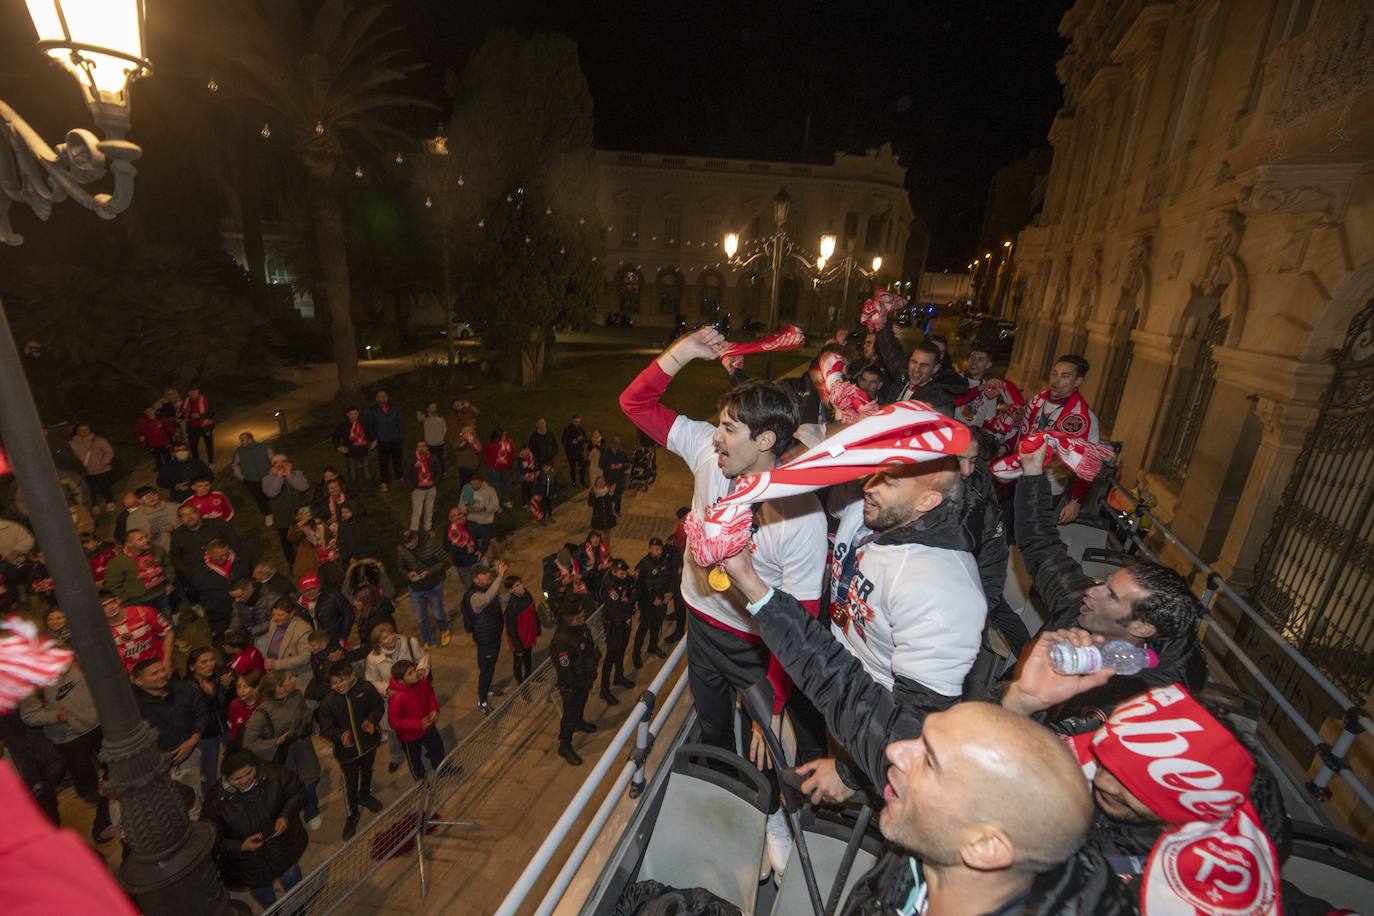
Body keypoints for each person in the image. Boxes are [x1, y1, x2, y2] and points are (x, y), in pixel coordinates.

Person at [717, 549, 1133, 915]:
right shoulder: (938, 837)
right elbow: (846, 690)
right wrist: (752, 583)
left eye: (930, 761)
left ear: (984, 847)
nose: (898, 752)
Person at [618, 327, 827, 753]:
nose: (714, 436)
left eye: (728, 429)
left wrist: (775, 701)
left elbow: (800, 620)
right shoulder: (707, 451)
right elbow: (634, 404)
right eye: (719, 425)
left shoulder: (802, 516)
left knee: (769, 750)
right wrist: (682, 352)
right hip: (698, 622)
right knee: (714, 732)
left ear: (765, 440)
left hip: (756, 645)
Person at [1005, 440, 1206, 732]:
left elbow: (1062, 742)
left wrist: (1026, 703)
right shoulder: (1081, 606)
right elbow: (1041, 546)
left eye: (1110, 595)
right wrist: (1033, 472)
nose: (1091, 590)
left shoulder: (1148, 697)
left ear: (1140, 627)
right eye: (1104, 583)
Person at [18, 658, 113, 843]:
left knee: (114, 761)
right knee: (83, 772)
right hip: (69, 736)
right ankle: (99, 806)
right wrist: (55, 716)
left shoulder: (75, 662)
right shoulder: (30, 685)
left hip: (98, 723)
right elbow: (29, 716)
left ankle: (115, 794)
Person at [201, 750, 310, 908]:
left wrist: (285, 816)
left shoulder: (275, 775)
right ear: (226, 777)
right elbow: (210, 837)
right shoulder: (215, 801)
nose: (244, 780)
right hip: (249, 865)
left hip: (282, 848)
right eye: (236, 778)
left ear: (256, 765)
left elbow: (297, 792)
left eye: (249, 773)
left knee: (291, 876)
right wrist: (240, 846)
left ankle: (298, 907)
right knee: (262, 891)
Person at [243, 670, 323, 831]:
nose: (293, 679)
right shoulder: (262, 713)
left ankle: (311, 811)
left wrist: (307, 723)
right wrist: (275, 742)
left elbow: (305, 712)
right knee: (290, 790)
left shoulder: (296, 696)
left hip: (304, 751)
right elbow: (249, 743)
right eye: (289, 679)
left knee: (309, 784)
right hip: (284, 759)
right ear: (279, 689)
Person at [317, 661, 385, 840]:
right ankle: (352, 813)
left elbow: (378, 706)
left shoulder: (366, 688)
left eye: (342, 681)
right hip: (347, 753)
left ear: (351, 676)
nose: (338, 686)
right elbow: (325, 728)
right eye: (334, 683)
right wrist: (340, 735)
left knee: (368, 770)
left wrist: (371, 720)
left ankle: (365, 795)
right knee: (350, 781)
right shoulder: (328, 702)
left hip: (369, 743)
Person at [131, 658, 207, 816]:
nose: (162, 675)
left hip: (191, 755)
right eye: (154, 673)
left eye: (162, 670)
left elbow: (201, 713)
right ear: (138, 681)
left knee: (196, 798)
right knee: (171, 808)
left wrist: (193, 739)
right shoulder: (134, 707)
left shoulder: (183, 689)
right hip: (160, 769)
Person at [364, 620, 430, 772]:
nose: (391, 638)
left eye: (392, 633)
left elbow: (422, 657)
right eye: (385, 637)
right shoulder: (373, 659)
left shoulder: (410, 643)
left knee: (421, 724)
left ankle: (426, 748)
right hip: (394, 701)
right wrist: (386, 688)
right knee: (394, 733)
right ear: (378, 643)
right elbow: (371, 680)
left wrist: (421, 669)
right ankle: (396, 757)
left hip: (414, 695)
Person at [551, 597, 599, 765]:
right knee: (569, 716)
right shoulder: (561, 641)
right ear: (570, 620)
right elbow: (565, 671)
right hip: (572, 685)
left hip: (584, 679)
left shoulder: (580, 627)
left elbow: (588, 647)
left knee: (581, 703)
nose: (583, 618)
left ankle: (579, 722)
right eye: (579, 617)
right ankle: (565, 745)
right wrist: (577, 683)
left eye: (582, 615)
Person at [185, 647, 234, 797]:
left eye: (212, 659)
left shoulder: (218, 677)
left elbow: (225, 703)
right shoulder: (187, 686)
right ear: (192, 667)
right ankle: (211, 799)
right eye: (204, 662)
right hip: (206, 735)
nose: (210, 664)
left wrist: (227, 687)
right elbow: (198, 713)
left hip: (224, 728)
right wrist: (211, 695)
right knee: (208, 772)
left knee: (234, 761)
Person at [461, 562, 508, 714]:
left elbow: (495, 599)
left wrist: (512, 595)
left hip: (493, 635)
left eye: (488, 572)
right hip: (486, 640)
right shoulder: (474, 596)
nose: (488, 575)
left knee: (490, 666)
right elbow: (487, 599)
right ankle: (482, 701)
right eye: (484, 573)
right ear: (476, 579)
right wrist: (500, 576)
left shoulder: (485, 588)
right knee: (486, 670)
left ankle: (488, 688)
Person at [386, 659, 445, 781]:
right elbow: (394, 722)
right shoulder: (396, 698)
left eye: (414, 670)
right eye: (410, 673)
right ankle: (420, 780)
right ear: (401, 680)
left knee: (437, 748)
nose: (415, 674)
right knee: (415, 760)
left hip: (428, 727)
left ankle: (441, 768)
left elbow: (430, 695)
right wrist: (419, 724)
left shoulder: (422, 682)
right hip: (410, 736)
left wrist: (434, 709)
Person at [397, 528, 451, 648]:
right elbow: (400, 567)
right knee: (420, 617)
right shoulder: (401, 548)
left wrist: (428, 572)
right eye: (407, 546)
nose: (409, 548)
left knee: (438, 612)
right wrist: (408, 574)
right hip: (415, 589)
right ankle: (429, 640)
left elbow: (444, 561)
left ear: (415, 537)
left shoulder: (430, 544)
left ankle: (444, 631)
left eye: (411, 545)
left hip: (433, 585)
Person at [190, 537, 251, 642]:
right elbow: (197, 593)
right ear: (209, 554)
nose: (224, 557)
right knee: (227, 641)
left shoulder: (240, 560)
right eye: (220, 555)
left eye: (226, 553)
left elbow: (250, 577)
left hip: (245, 606)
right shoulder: (199, 573)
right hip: (221, 614)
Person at [105, 528, 174, 619]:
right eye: (140, 539)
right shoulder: (117, 562)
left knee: (166, 618)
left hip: (159, 593)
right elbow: (113, 584)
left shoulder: (157, 550)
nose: (146, 540)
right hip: (137, 601)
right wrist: (126, 599)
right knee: (146, 623)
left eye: (145, 537)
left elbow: (167, 565)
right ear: (128, 544)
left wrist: (169, 582)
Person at [169, 501, 242, 586]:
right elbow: (175, 557)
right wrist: (189, 574)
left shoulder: (218, 524)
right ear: (180, 520)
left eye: (192, 513)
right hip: (202, 579)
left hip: (231, 568)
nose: (189, 517)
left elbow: (235, 544)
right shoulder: (177, 535)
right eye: (184, 516)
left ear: (198, 513)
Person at [598, 559, 637, 705]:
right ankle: (604, 689)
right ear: (614, 571)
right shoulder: (609, 586)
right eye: (621, 573)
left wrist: (627, 600)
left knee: (621, 651)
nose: (624, 575)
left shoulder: (623, 579)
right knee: (611, 656)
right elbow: (616, 606)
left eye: (625, 573)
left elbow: (632, 590)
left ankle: (619, 677)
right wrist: (625, 601)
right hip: (615, 626)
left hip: (624, 622)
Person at [632, 538, 674, 667]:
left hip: (662, 600)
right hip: (648, 604)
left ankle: (653, 646)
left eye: (660, 549)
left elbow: (671, 577)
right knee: (643, 629)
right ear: (650, 549)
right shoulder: (643, 565)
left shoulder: (665, 560)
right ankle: (636, 655)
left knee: (657, 625)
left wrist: (670, 592)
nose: (659, 552)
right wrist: (652, 599)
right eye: (656, 549)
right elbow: (639, 588)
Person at [262, 455, 310, 566]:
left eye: (283, 461)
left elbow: (304, 487)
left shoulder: (297, 473)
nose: (280, 464)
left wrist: (289, 475)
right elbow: (271, 493)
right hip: (282, 515)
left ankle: (309, 558)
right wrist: (279, 476)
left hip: (301, 511)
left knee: (306, 535)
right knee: (286, 539)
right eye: (276, 462)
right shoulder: (267, 479)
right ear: (272, 466)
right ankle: (292, 562)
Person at [256, 599, 314, 690]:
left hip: (296, 675)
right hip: (277, 673)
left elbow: (305, 657)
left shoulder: (303, 629)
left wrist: (276, 664)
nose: (275, 618)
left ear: (291, 614)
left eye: (280, 615)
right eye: (274, 614)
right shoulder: (273, 622)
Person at [69, 422, 116, 513]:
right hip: (85, 471)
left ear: (90, 430)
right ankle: (94, 505)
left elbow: (109, 452)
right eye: (80, 430)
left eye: (86, 430)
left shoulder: (99, 441)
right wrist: (78, 467)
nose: (83, 432)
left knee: (105, 486)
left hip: (102, 470)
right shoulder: (72, 444)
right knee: (89, 489)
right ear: (76, 431)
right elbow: (72, 457)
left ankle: (109, 502)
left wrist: (103, 463)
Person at [364, 389, 405, 492]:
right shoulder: (372, 410)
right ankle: (385, 481)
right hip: (382, 440)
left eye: (383, 396)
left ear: (387, 397)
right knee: (383, 462)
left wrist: (401, 436)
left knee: (397, 459)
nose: (382, 398)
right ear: (376, 398)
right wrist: (373, 439)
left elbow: (400, 423)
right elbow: (369, 426)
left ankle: (399, 476)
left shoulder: (394, 408)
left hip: (395, 439)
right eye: (379, 396)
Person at [231, 431, 276, 525]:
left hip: (267, 476)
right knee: (259, 498)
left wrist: (273, 472)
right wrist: (242, 477)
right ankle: (267, 515)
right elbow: (235, 465)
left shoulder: (263, 447)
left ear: (250, 440)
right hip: (251, 479)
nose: (241, 442)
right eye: (240, 440)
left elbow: (273, 459)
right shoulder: (239, 451)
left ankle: (278, 510)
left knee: (272, 494)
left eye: (243, 440)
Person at [503, 575, 539, 683]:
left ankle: (529, 677)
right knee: (518, 663)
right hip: (519, 640)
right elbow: (511, 630)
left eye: (521, 583)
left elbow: (534, 613)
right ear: (511, 590)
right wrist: (518, 648)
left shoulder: (527, 595)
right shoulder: (512, 607)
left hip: (528, 635)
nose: (521, 586)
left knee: (528, 659)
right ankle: (521, 685)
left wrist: (537, 627)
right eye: (517, 585)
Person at [332, 407, 374, 492]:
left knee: (366, 472)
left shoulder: (363, 423)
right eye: (351, 414)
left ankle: (368, 489)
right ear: (347, 414)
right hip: (350, 453)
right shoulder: (343, 425)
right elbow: (335, 437)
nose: (353, 416)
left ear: (358, 414)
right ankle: (353, 491)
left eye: (355, 413)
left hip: (363, 451)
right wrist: (338, 447)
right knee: (352, 473)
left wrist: (374, 440)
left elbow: (369, 433)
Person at [128, 485, 179, 552]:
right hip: (154, 552)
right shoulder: (134, 517)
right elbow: (133, 540)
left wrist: (175, 529)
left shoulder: (175, 507)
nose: (150, 498)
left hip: (180, 547)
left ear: (158, 495)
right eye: (145, 496)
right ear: (139, 501)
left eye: (152, 494)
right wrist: (149, 534)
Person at [458, 470, 500, 551]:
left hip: (486, 521)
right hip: (472, 522)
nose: (475, 486)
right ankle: (482, 557)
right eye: (472, 485)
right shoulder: (466, 492)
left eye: (477, 484)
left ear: (481, 481)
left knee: (492, 542)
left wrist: (483, 509)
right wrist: (467, 510)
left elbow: (495, 506)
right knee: (479, 544)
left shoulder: (490, 490)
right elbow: (460, 508)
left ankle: (497, 557)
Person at [405, 440, 441, 532]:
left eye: (423, 446)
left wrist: (435, 483)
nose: (421, 448)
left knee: (429, 509)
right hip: (418, 490)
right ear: (416, 448)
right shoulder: (411, 459)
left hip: (431, 488)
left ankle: (428, 528)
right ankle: (414, 530)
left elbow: (439, 472)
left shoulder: (433, 458)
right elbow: (406, 475)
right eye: (419, 446)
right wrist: (412, 488)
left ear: (427, 448)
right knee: (417, 511)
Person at [336, 499, 379, 567]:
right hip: (349, 563)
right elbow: (340, 544)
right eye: (342, 512)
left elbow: (373, 542)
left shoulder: (367, 524)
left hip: (368, 561)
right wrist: (348, 558)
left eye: (347, 512)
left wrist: (358, 557)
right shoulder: (342, 526)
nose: (343, 514)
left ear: (354, 511)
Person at [445, 507, 482, 585]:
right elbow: (447, 548)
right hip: (462, 566)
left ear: (463, 514)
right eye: (454, 516)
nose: (457, 517)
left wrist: (481, 550)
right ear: (450, 518)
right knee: (469, 588)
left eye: (459, 514)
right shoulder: (448, 530)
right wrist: (465, 548)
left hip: (476, 562)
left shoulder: (472, 524)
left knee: (484, 585)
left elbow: (484, 538)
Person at [179, 385, 216, 463]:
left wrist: (200, 416)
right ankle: (196, 462)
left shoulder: (205, 399)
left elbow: (212, 412)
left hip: (205, 426)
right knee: (193, 446)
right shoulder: (186, 402)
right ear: (188, 392)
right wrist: (184, 415)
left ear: (198, 391)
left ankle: (210, 462)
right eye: (190, 391)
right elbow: (182, 414)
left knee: (208, 444)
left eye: (194, 390)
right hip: (192, 427)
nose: (193, 393)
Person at [227, 669, 262, 747]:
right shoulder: (234, 705)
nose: (241, 691)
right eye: (238, 687)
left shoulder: (264, 704)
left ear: (256, 688)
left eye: (246, 686)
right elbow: (233, 732)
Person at [482, 428, 516, 507]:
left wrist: (510, 463)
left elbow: (513, 453)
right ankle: (495, 502)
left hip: (506, 468)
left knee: (506, 484)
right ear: (497, 436)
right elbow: (485, 455)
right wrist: (491, 464)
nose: (505, 436)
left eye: (505, 434)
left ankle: (505, 499)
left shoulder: (509, 442)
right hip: (494, 469)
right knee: (495, 485)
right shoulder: (491, 444)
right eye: (502, 435)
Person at [135, 405, 174, 470]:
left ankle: (169, 467)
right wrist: (140, 436)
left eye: (151, 410)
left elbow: (169, 426)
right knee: (156, 457)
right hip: (152, 443)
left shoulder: (161, 418)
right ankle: (159, 467)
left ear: (154, 410)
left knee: (167, 456)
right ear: (145, 412)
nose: (150, 412)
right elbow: (137, 430)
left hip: (164, 442)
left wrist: (174, 432)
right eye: (148, 411)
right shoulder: (142, 422)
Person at [416, 401, 448, 476]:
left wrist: (442, 438)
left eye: (435, 407)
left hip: (439, 443)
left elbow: (445, 429)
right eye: (432, 407)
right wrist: (419, 414)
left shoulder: (440, 419)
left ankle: (442, 471)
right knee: (429, 458)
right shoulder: (425, 419)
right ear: (428, 409)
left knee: (440, 458)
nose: (434, 409)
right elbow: (420, 419)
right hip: (429, 443)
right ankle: (431, 471)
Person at [447, 420, 482, 487]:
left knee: (474, 485)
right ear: (462, 431)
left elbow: (479, 449)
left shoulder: (474, 437)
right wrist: (464, 440)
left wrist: (472, 442)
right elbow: (456, 446)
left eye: (470, 430)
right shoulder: (458, 438)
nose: (469, 432)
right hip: (464, 466)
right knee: (465, 485)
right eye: (466, 430)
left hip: (474, 466)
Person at [601, 435, 628, 515]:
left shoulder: (622, 453)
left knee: (618, 496)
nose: (614, 449)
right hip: (609, 478)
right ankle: (608, 511)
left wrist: (622, 465)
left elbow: (627, 464)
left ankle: (617, 510)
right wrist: (610, 467)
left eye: (616, 447)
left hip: (619, 478)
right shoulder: (605, 453)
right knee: (609, 495)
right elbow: (601, 464)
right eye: (613, 447)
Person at [561, 414, 589, 488]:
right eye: (576, 421)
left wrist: (582, 439)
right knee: (572, 468)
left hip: (579, 452)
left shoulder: (581, 429)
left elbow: (586, 438)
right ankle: (573, 482)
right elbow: (563, 441)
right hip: (571, 452)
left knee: (582, 466)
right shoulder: (567, 430)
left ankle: (582, 481)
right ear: (572, 421)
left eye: (578, 422)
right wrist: (572, 441)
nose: (577, 423)